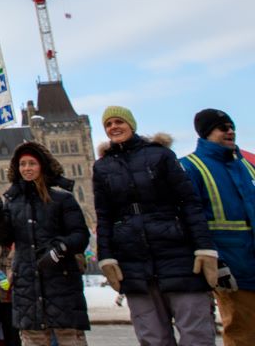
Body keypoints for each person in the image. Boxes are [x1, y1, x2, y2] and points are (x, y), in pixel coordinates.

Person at [93, 105, 218, 345]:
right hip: (134, 261)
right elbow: (104, 216)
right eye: (108, 124)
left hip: (177, 255)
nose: (114, 127)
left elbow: (190, 203)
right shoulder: (102, 167)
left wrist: (204, 247)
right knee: (152, 338)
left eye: (119, 122)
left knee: (196, 334)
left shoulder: (160, 155)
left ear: (131, 124)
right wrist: (106, 257)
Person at [0, 141, 90, 346]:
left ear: (42, 165)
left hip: (61, 284)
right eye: (22, 164)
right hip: (27, 288)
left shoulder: (62, 199)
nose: (27, 168)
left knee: (69, 338)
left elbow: (80, 236)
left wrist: (59, 248)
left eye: (31, 163)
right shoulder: (13, 202)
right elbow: (4, 240)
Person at [181, 108, 255, 346]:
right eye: (223, 128)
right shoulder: (191, 167)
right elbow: (191, 219)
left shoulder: (247, 166)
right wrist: (214, 260)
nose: (230, 131)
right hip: (233, 267)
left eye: (232, 126)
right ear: (206, 133)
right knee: (242, 332)